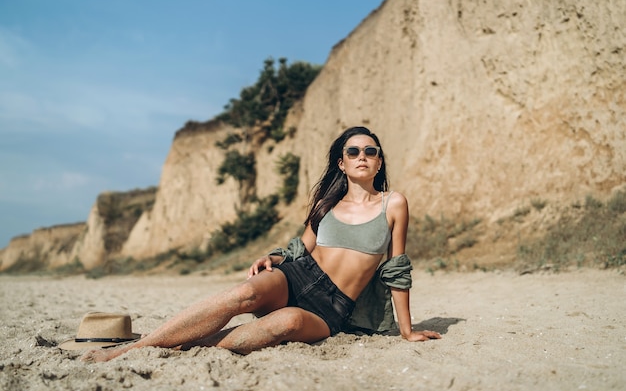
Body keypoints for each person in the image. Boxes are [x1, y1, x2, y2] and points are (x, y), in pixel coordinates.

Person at [81, 126, 440, 362]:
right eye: (353, 151)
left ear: (379, 161)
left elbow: (396, 269)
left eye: (371, 150)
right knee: (243, 295)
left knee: (281, 325)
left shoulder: (393, 203)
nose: (363, 155)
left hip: (332, 307)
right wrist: (275, 256)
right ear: (341, 163)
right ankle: (132, 350)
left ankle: (176, 342)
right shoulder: (326, 205)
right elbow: (301, 249)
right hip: (299, 275)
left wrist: (406, 330)